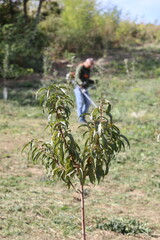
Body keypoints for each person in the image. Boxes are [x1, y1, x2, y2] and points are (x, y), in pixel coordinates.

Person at [74, 58, 94, 123]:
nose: (91, 66)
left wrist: (92, 82)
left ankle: (83, 117)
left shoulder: (88, 69)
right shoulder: (80, 67)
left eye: (92, 65)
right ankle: (80, 119)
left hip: (85, 88)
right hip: (78, 88)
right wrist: (81, 83)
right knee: (80, 103)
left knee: (88, 103)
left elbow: (87, 78)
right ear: (87, 62)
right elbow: (77, 77)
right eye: (90, 64)